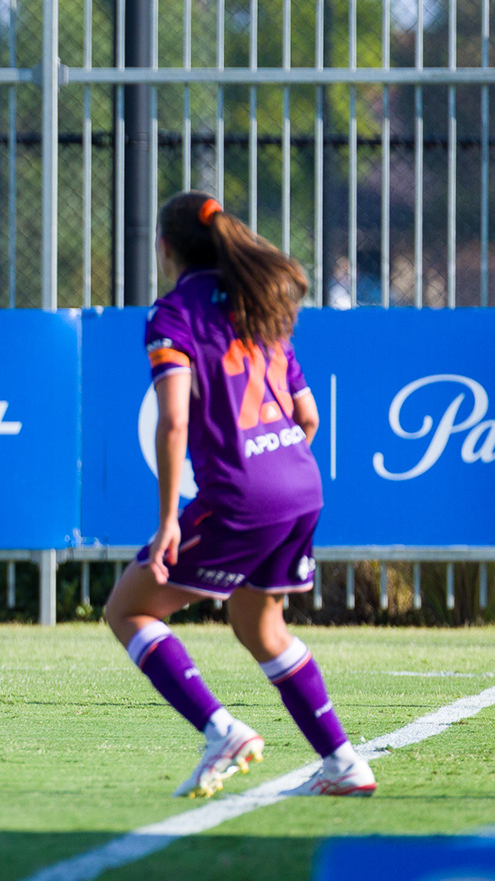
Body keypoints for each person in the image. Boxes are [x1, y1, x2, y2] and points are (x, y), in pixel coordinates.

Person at [103, 191, 374, 799]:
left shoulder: (173, 314)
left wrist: (169, 519)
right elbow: (308, 416)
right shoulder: (259, 305)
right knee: (259, 625)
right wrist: (276, 466)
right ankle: (343, 764)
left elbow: (174, 421)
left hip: (243, 494)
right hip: (301, 486)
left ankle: (221, 731)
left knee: (128, 609)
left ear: (165, 248)